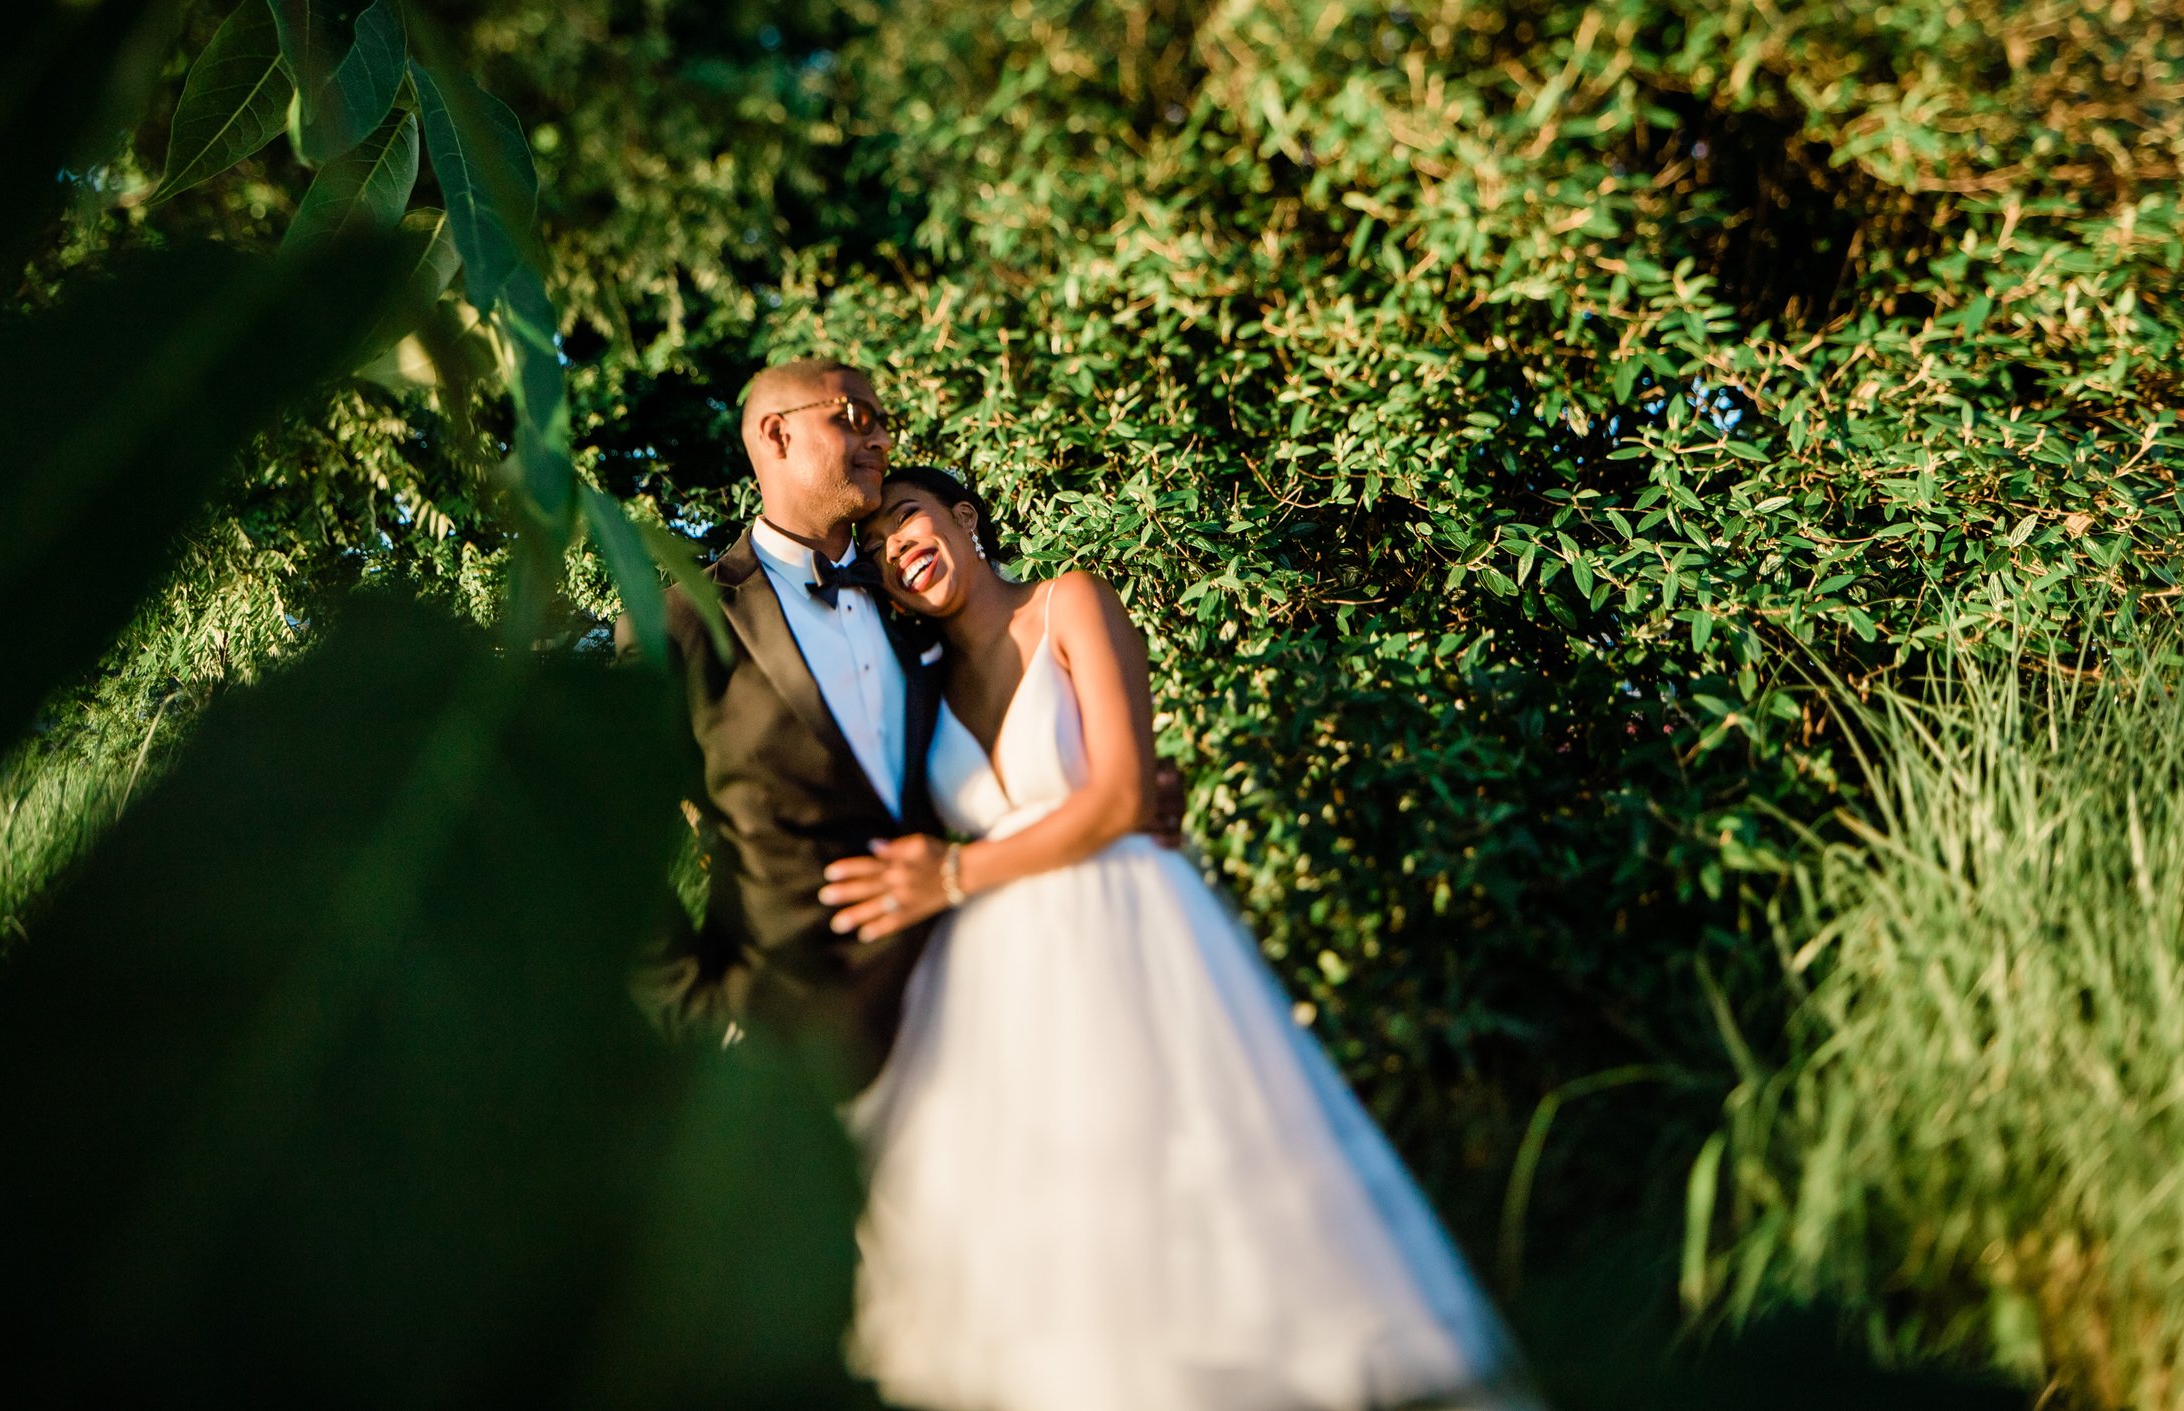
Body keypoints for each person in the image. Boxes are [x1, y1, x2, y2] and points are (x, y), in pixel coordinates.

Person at [821, 466, 1540, 1411]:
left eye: (903, 519)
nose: (892, 550)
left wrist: (952, 875)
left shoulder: (1068, 600)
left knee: (1183, 1180)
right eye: (872, 552)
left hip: (1124, 933)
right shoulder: (920, 684)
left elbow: (1121, 795)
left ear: (962, 515)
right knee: (1054, 1225)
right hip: (1001, 983)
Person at [623, 358, 944, 1091]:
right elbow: (600, 840)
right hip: (794, 1053)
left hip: (963, 999)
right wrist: (698, 1009)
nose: (881, 441)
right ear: (777, 433)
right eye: (855, 415)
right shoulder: (679, 624)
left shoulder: (914, 591)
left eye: (884, 424)